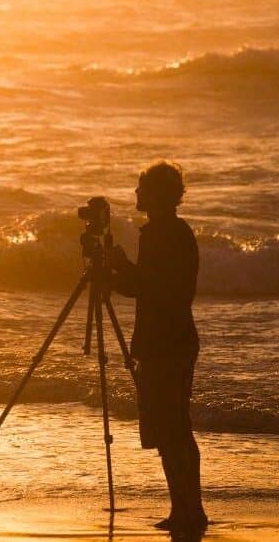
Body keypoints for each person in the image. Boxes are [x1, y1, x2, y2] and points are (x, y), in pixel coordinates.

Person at [111, 161, 207, 533]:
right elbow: (153, 283)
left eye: (142, 187)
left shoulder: (162, 235)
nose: (136, 193)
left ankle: (188, 510)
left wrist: (116, 275)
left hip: (164, 343)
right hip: (172, 340)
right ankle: (186, 508)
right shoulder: (173, 232)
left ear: (160, 195)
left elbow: (148, 287)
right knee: (176, 430)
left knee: (172, 432)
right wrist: (124, 269)